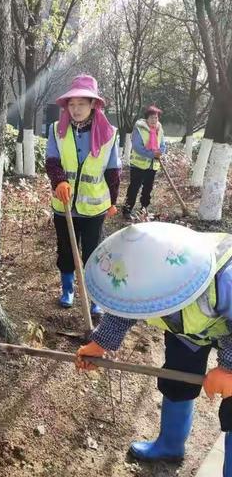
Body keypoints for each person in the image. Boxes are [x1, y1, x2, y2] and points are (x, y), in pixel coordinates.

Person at [77, 222, 231, 475]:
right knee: (176, 381)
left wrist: (228, 368)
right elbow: (126, 305)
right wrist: (100, 343)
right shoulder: (143, 270)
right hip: (189, 331)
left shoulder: (225, 277)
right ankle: (170, 445)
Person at [45, 74, 121, 314]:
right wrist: (59, 182)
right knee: (66, 250)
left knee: (93, 254)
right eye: (72, 104)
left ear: (93, 105)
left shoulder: (109, 133)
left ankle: (94, 298)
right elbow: (52, 160)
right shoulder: (57, 129)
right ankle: (67, 290)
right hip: (64, 204)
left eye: (81, 104)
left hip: (94, 207)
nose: (76, 109)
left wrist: (113, 202)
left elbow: (113, 170)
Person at [122, 105, 166, 219]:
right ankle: (127, 210)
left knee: (148, 188)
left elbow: (163, 145)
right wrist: (152, 154)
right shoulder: (139, 128)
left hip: (152, 166)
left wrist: (161, 151)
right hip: (138, 165)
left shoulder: (159, 129)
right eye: (151, 117)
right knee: (134, 188)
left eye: (156, 118)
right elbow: (137, 147)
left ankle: (144, 208)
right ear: (147, 118)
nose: (154, 120)